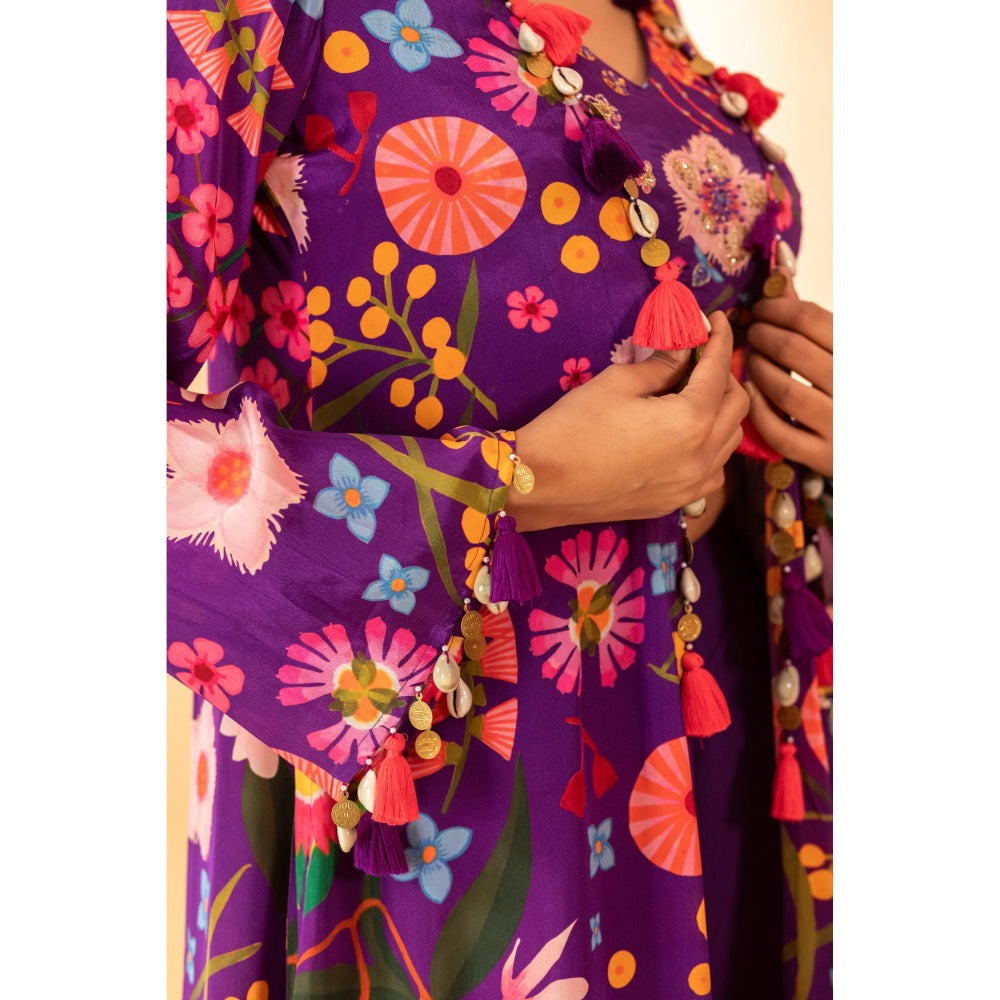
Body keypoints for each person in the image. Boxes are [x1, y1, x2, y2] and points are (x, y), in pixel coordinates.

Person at [167, 0, 833, 997]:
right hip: (447, 800)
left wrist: (802, 418)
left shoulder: (647, 13)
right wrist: (519, 482)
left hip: (716, 744)